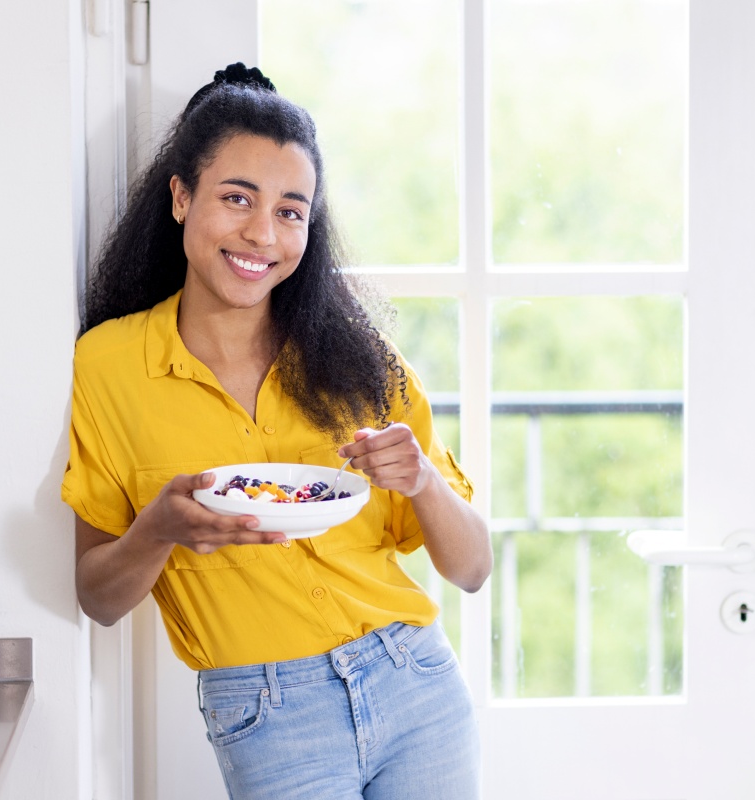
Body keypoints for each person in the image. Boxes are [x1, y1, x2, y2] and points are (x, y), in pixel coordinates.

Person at [61, 62, 492, 800]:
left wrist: (422, 480)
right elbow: (97, 597)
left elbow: (473, 568)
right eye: (237, 198)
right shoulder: (108, 367)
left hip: (415, 683)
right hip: (267, 715)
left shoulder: (360, 360)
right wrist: (158, 529)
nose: (262, 233)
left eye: (291, 211)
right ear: (181, 197)